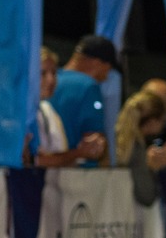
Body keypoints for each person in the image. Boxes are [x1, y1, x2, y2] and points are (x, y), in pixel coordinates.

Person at [49, 36, 116, 165]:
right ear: (97, 62)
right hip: (76, 170)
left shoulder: (47, 81)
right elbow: (94, 142)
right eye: (108, 69)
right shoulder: (89, 86)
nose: (106, 77)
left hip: (43, 166)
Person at [115, 87, 166, 207]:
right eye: (163, 120)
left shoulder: (118, 140)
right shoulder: (135, 149)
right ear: (153, 122)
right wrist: (152, 168)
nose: (163, 125)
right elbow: (147, 196)